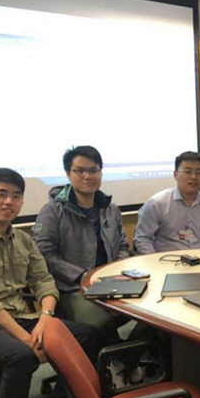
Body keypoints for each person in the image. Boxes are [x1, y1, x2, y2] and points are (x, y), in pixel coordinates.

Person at [0, 169, 102, 398]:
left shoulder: (24, 240)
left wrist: (46, 320)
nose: (9, 201)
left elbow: (44, 282)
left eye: (16, 196)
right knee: (21, 355)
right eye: (2, 194)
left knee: (87, 335)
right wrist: (27, 338)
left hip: (22, 316)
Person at [34, 146, 129, 343]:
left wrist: (116, 273)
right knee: (99, 321)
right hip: (72, 288)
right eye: (80, 171)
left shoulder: (111, 209)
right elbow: (45, 255)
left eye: (93, 170)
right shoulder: (53, 211)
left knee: (149, 310)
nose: (88, 176)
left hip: (111, 282)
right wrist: (83, 276)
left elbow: (122, 245)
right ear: (68, 173)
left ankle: (131, 354)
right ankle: (114, 358)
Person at [134, 151, 200, 254]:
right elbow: (142, 238)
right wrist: (153, 261)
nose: (194, 177)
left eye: (199, 172)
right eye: (188, 172)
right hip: (166, 261)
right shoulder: (157, 204)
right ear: (175, 175)